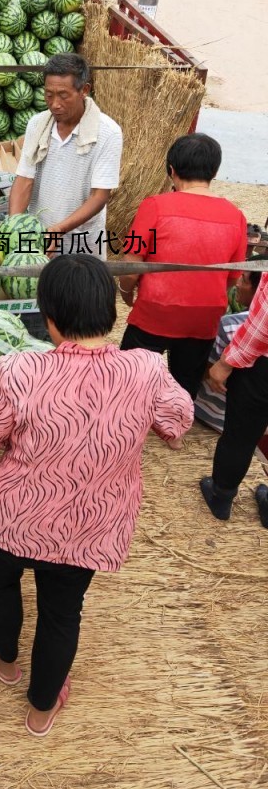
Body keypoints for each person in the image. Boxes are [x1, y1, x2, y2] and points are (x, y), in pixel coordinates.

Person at [0, 255, 193, 737]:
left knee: (1, 587)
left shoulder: (19, 370)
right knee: (62, 613)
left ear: (48, 317)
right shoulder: (147, 369)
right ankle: (41, 708)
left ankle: (3, 658)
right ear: (112, 313)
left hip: (12, 519)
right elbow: (178, 420)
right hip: (87, 529)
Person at [118, 134, 247, 399]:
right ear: (215, 171)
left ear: (171, 170)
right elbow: (232, 278)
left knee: (131, 375)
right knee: (185, 383)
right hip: (204, 316)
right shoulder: (237, 216)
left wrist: (125, 291)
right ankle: (175, 432)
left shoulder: (153, 205)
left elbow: (132, 262)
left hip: (156, 309)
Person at [8, 52, 123, 258]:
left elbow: (99, 196)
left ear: (84, 90)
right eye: (48, 95)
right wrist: (14, 227)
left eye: (63, 95)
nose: (54, 104)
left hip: (82, 243)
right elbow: (24, 179)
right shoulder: (37, 124)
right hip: (40, 242)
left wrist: (60, 228)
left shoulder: (108, 132)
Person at [200, 268, 268, 526]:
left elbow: (262, 326)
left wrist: (227, 362)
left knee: (241, 433)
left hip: (263, 367)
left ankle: (221, 496)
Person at [194, 257, 268, 433]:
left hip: (207, 417)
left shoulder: (229, 325)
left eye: (243, 278)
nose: (237, 285)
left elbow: (202, 373)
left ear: (261, 288)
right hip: (250, 425)